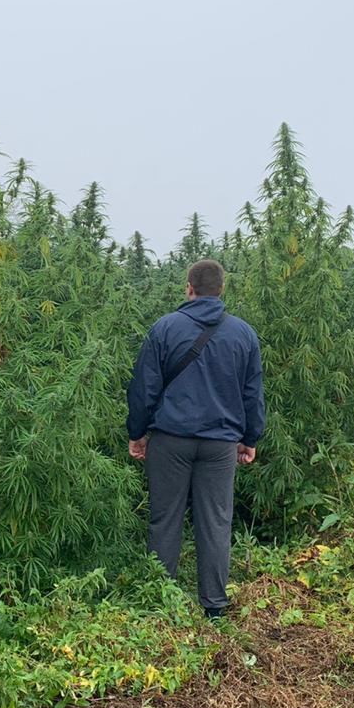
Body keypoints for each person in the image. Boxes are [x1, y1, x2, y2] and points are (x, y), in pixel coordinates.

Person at [126, 259, 264, 618]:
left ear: (189, 288)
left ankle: (161, 604)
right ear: (221, 289)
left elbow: (144, 388)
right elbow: (252, 394)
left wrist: (137, 434)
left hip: (170, 440)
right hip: (220, 445)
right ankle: (214, 608)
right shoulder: (243, 334)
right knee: (216, 521)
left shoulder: (164, 329)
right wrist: (249, 438)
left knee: (165, 519)